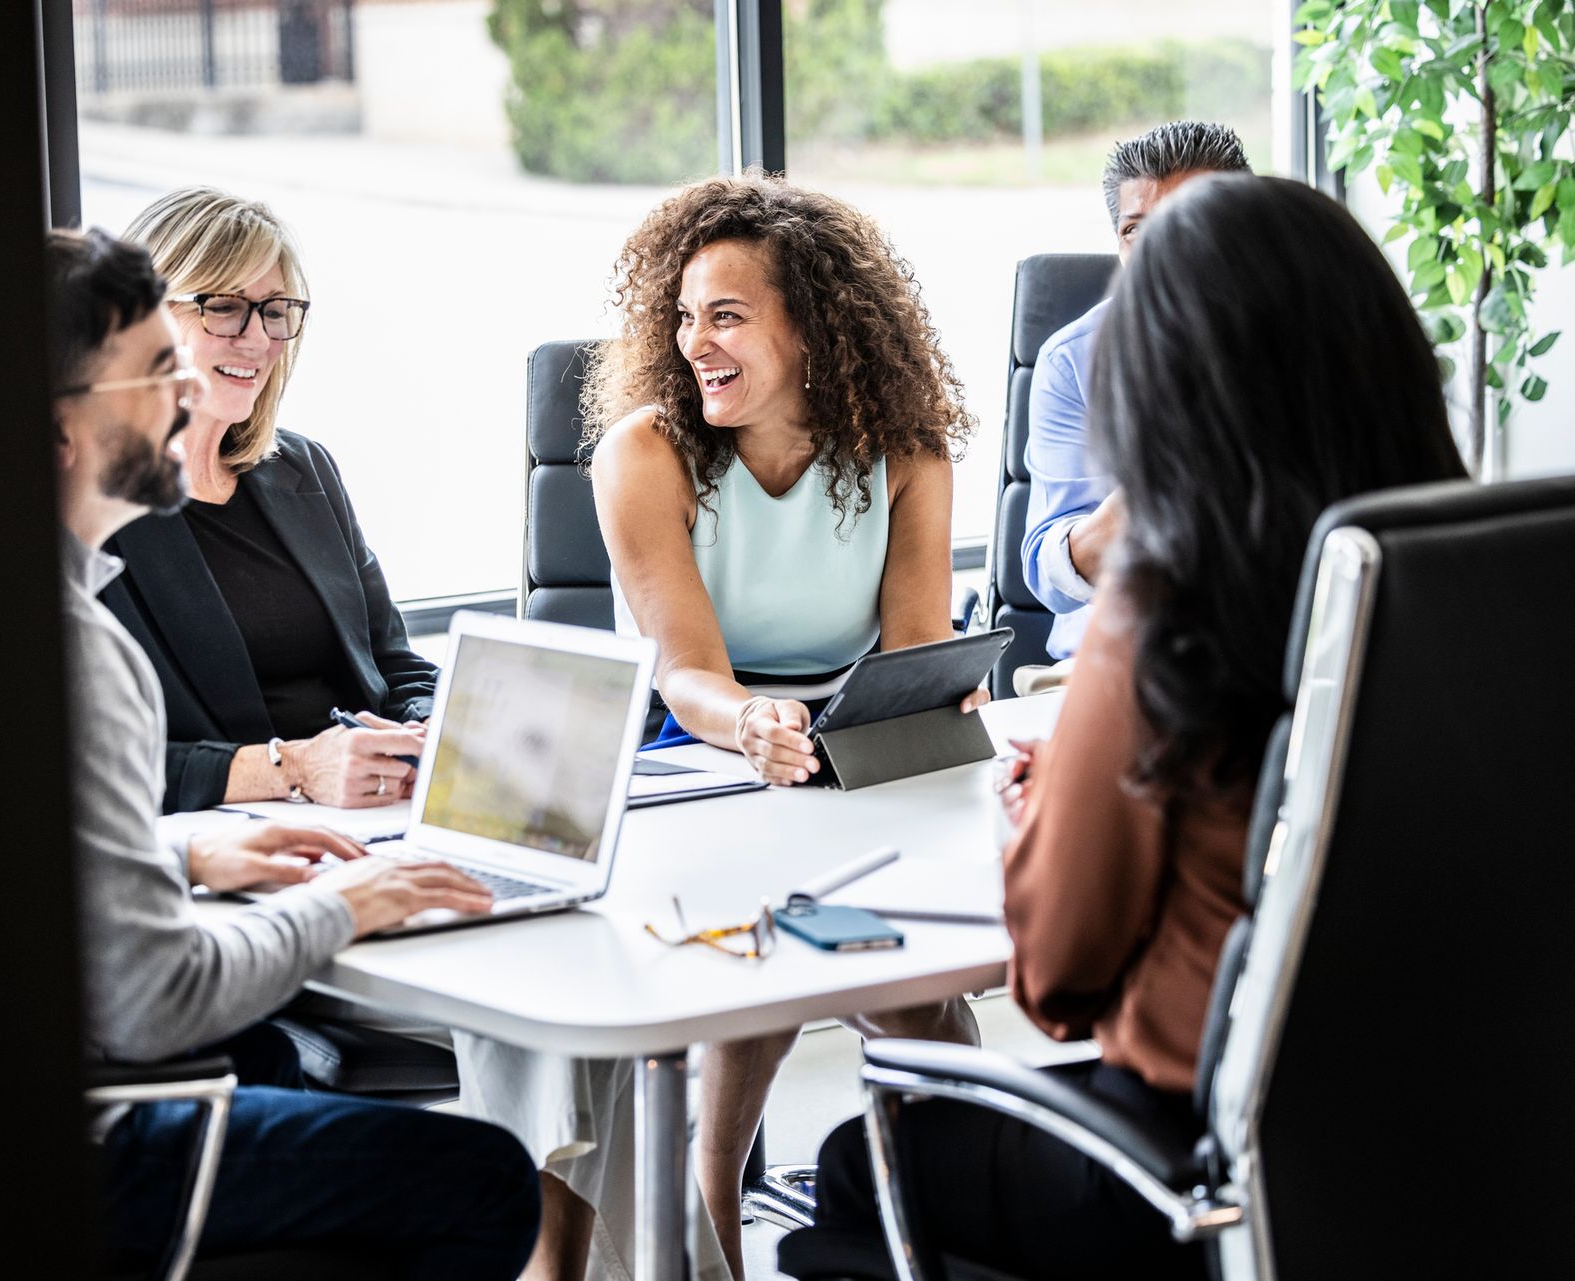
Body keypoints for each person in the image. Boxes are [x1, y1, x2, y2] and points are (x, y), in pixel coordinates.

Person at [781, 175, 1469, 1281]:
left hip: (1207, 1170)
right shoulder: (1479, 573)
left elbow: (1057, 989)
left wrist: (1043, 816)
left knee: (860, 1167)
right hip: (1460, 1131)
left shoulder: (1160, 605)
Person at [459, 173, 982, 1281]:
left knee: (916, 987)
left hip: (848, 752)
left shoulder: (907, 450)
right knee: (770, 938)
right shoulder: (644, 451)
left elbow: (913, 645)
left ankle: (952, 1223)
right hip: (689, 751)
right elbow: (687, 671)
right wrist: (751, 725)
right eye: (686, 317)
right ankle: (714, 1223)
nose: (697, 342)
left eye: (728, 316)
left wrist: (934, 693)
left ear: (814, 328)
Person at [50, 226, 541, 1276]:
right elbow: (157, 1003)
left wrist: (187, 859)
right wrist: (346, 905)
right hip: (93, 1142)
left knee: (277, 1051)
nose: (184, 397)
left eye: (276, 311)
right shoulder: (79, 649)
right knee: (483, 1178)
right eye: (151, 373)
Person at [99, 186, 433, 814]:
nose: (256, 339)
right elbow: (94, 761)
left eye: (275, 310)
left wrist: (424, 731)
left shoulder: (304, 468)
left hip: (373, 811)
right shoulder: (92, 509)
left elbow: (394, 665)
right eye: (223, 307)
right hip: (224, 835)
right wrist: (294, 768)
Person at [1021, 121, 1250, 660]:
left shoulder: (1309, 337)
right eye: (1136, 231)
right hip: (1120, 658)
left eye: (1189, 222)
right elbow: (1052, 575)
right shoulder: (1072, 361)